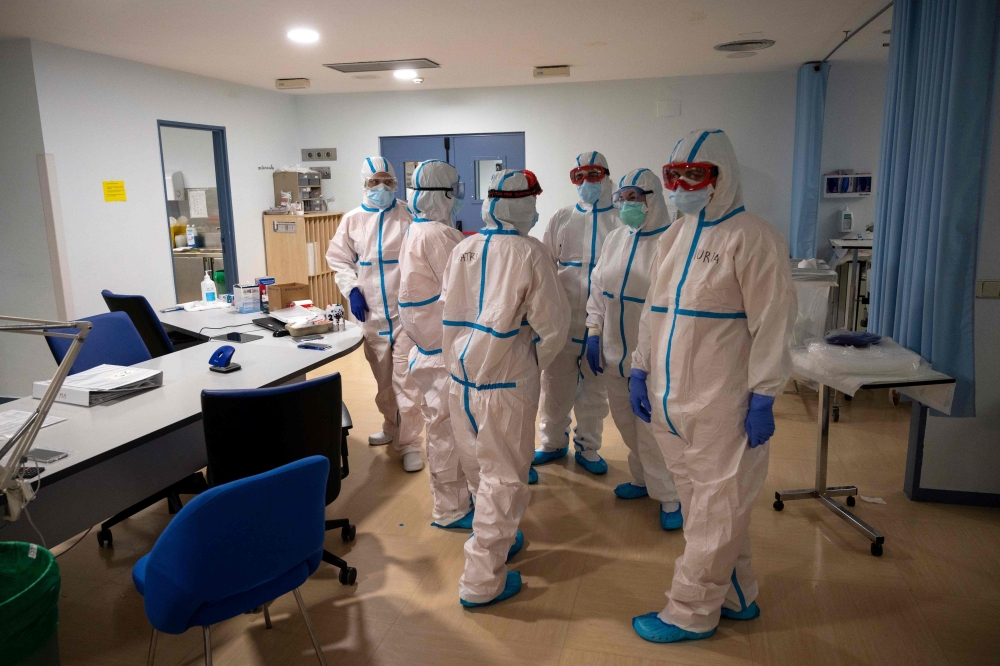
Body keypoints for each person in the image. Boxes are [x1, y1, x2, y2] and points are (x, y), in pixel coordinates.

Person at [629, 129, 795, 643]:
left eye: (693, 175)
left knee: (714, 508)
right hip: (672, 399)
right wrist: (640, 366)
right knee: (709, 506)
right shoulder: (676, 236)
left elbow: (775, 323)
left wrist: (765, 393)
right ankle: (737, 594)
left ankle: (690, 612)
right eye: (673, 176)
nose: (681, 186)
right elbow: (654, 313)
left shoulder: (754, 237)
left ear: (721, 178)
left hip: (725, 401)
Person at [442, 170, 570, 607]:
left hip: (459, 382)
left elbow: (447, 309)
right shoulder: (529, 252)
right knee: (504, 477)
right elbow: (554, 327)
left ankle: (498, 536)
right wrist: (530, 363)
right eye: (531, 201)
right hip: (505, 384)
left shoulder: (463, 247)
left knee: (479, 470)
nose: (535, 210)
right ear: (520, 205)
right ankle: (482, 580)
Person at [584, 168, 682, 530]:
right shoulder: (615, 238)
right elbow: (598, 285)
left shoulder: (672, 243)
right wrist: (593, 330)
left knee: (655, 431)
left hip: (654, 359)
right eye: (621, 198)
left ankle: (670, 495)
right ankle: (643, 480)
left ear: (653, 199)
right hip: (613, 350)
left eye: (634, 198)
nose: (626, 205)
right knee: (626, 423)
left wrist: (648, 361)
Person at [326, 157, 424, 472]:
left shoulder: (408, 214)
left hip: (406, 312)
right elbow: (338, 258)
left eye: (388, 181)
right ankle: (390, 427)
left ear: (396, 183)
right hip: (370, 311)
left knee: (406, 381)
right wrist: (352, 289)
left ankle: (409, 444)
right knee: (383, 381)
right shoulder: (352, 220)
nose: (382, 187)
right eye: (374, 181)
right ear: (364, 184)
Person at [398, 160, 480, 528]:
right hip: (440, 355)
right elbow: (466, 288)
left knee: (445, 428)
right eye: (457, 190)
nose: (460, 197)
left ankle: (456, 500)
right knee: (446, 432)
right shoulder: (437, 236)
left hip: (430, 351)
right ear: (443, 195)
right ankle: (450, 510)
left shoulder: (420, 229)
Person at [534, 152, 618, 475]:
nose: (585, 183)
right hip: (564, 321)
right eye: (578, 176)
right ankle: (552, 443)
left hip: (604, 325)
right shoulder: (561, 218)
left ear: (607, 177)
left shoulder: (621, 221)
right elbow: (544, 268)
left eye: (593, 175)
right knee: (554, 386)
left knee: (595, 392)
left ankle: (588, 447)